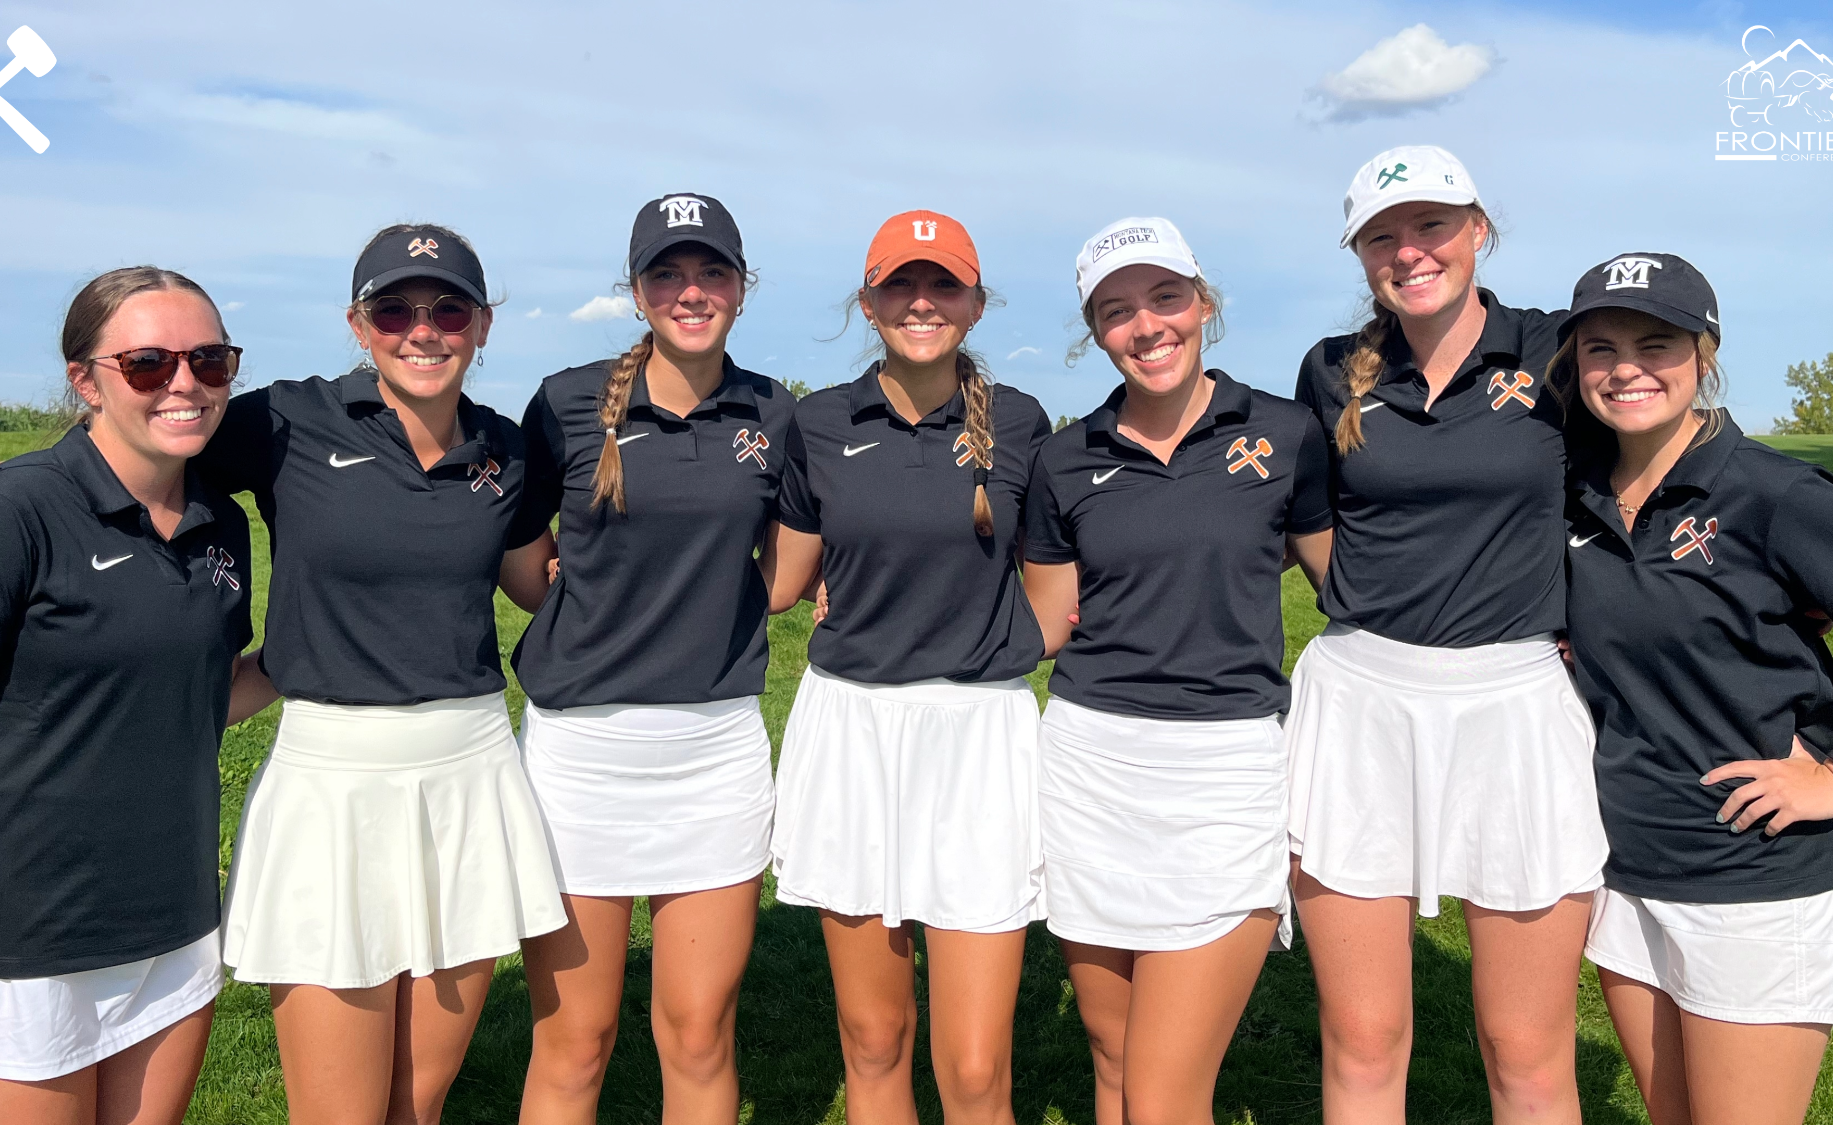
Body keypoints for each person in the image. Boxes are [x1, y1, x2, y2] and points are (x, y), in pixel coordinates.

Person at [0, 224, 566, 1125]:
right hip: (330, 785)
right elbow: (131, 442)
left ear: (483, 324)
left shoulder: (506, 449)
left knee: (419, 1103)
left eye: (449, 309)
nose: (423, 329)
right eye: (393, 310)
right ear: (358, 324)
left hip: (468, 774)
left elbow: (537, 578)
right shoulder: (287, 421)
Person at [0, 267, 269, 1124]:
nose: (185, 383)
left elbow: (199, 699)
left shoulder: (222, 522)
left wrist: (308, 658)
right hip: (24, 942)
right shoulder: (0, 514)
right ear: (85, 381)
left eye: (210, 360)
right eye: (148, 363)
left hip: (174, 924)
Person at [1284, 146, 1608, 1123]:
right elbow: (1309, 518)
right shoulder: (1330, 370)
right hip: (1358, 704)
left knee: (1524, 1051)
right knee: (1363, 1039)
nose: (1409, 251)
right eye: (1381, 236)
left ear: (1477, 229)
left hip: (1516, 705)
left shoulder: (1554, 350)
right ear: (1358, 254)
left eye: (1430, 225)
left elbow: (1642, 479)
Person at [1552, 252, 1833, 1125]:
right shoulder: (1574, 495)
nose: (1626, 368)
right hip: (1627, 870)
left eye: (1655, 344)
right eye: (1600, 347)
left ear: (1704, 355)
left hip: (1758, 876)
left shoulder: (1772, 491)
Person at [1020, 218, 1333, 1125]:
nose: (1147, 325)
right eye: (1117, 310)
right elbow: (1043, 621)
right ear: (1095, 331)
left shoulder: (1285, 433)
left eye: (1166, 297)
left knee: (1162, 1092)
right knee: (1115, 1055)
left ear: (1203, 304)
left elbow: (1348, 585)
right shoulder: (1065, 459)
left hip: (1225, 775)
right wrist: (881, 599)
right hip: (1090, 768)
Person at [508, 193, 796, 1125]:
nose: (690, 291)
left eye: (712, 271)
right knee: (576, 1040)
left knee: (700, 1032)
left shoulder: (772, 410)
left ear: (742, 288)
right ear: (636, 292)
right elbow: (521, 562)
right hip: (580, 753)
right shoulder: (566, 401)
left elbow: (785, 572)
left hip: (713, 750)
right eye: (666, 273)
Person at [765, 211, 1051, 1125]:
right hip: (852, 729)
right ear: (868, 303)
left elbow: (1054, 588)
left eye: (942, 286)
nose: (921, 303)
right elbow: (783, 580)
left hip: (979, 734)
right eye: (900, 286)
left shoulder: (1022, 422)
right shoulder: (819, 421)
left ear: (976, 303)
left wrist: (987, 643)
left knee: (974, 1065)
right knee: (874, 1037)